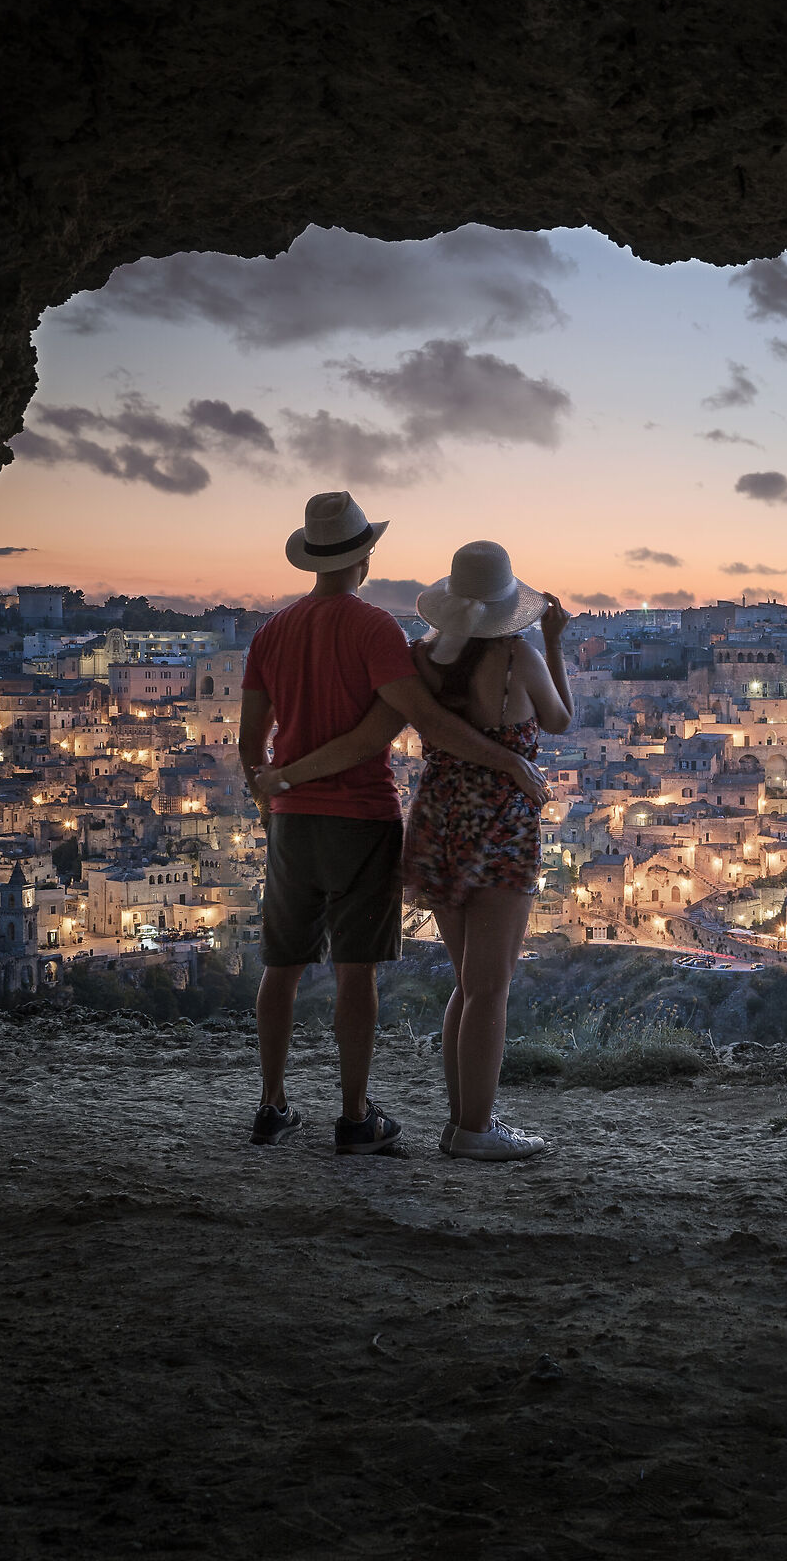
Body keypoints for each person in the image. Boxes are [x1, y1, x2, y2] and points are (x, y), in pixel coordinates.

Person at [238, 494, 549, 1155]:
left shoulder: (270, 632)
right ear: (365, 555)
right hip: (360, 816)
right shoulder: (375, 631)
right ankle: (354, 1117)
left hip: (292, 821)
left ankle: (271, 1105)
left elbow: (249, 742)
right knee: (357, 973)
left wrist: (274, 793)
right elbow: (409, 726)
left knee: (282, 964)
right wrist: (515, 768)